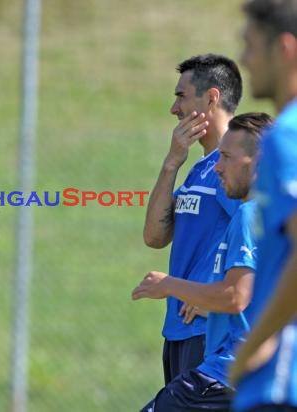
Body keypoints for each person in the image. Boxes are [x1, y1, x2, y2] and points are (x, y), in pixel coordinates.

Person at [133, 112, 272, 411]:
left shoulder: (249, 215)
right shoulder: (278, 218)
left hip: (226, 376)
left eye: (226, 157)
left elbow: (235, 296)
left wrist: (170, 285)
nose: (218, 167)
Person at [143, 53, 243, 384]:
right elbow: (155, 237)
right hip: (179, 331)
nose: (174, 109)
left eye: (181, 96)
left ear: (211, 98)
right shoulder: (201, 168)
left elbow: (270, 241)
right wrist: (172, 162)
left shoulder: (236, 170)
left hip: (210, 333)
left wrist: (215, 299)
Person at [229, 1, 297, 411]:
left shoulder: (286, 137)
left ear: (285, 49)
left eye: (251, 45)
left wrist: (253, 346)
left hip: (280, 382)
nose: (244, 59)